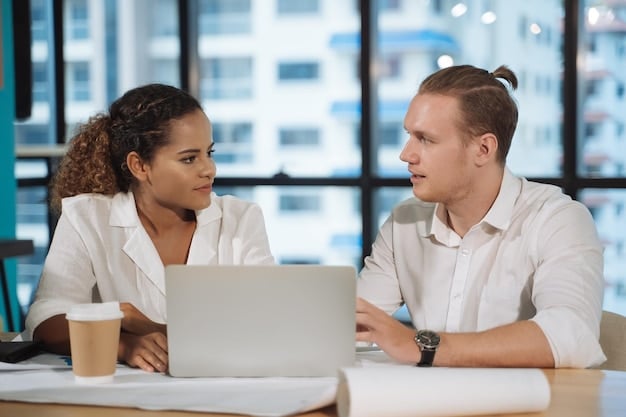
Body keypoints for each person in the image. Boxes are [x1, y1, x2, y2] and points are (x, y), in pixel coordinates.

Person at [355, 64, 606, 369]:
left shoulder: (558, 219)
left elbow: (571, 336)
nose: (406, 154)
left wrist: (421, 346)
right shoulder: (404, 222)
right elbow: (356, 325)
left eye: (426, 139)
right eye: (410, 136)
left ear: (483, 149)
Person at [24, 83, 275, 372]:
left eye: (209, 152)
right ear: (140, 166)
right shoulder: (87, 217)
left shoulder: (241, 219)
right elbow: (46, 320)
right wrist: (122, 344)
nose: (209, 169)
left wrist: (142, 324)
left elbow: (266, 327)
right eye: (189, 158)